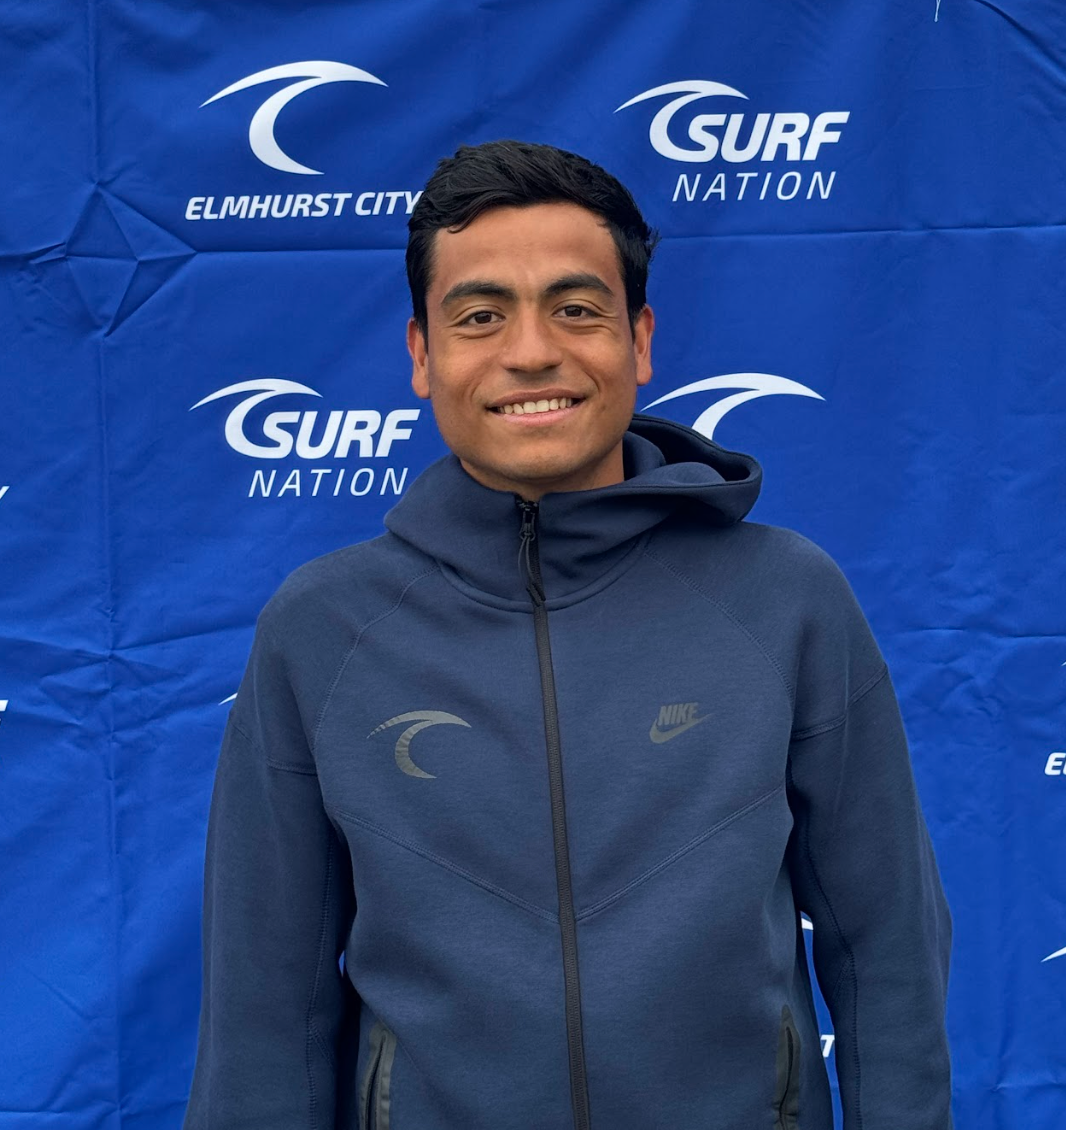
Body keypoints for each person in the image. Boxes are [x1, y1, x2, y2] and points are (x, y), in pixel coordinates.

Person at [182, 139, 953, 1130]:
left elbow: (886, 945)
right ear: (422, 354)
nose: (532, 350)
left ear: (638, 340)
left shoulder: (785, 597)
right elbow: (265, 1006)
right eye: (480, 314)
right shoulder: (322, 627)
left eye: (576, 308)